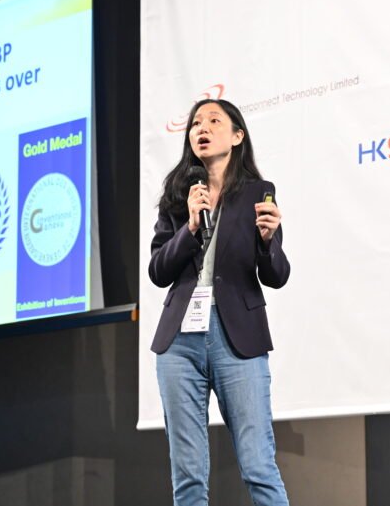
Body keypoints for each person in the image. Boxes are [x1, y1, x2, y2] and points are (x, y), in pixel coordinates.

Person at [148, 98, 291, 505]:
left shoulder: (259, 193)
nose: (202, 128)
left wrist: (268, 242)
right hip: (179, 343)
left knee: (259, 465)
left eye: (214, 120)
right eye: (196, 123)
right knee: (188, 475)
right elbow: (158, 271)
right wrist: (190, 227)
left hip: (237, 338)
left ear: (237, 136)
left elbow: (277, 276)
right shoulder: (179, 196)